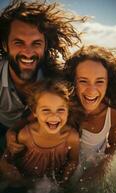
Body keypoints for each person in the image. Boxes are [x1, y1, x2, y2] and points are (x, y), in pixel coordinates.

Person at [0, 0, 84, 155]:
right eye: (19, 42)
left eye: (36, 43)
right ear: (5, 45)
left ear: (45, 46)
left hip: (40, 132)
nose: (28, 51)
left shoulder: (59, 80)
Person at [65, 44, 116, 181]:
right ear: (73, 82)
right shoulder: (62, 105)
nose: (91, 91)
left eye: (99, 81)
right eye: (83, 81)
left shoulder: (115, 111)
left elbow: (113, 144)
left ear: (108, 83)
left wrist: (102, 167)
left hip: (94, 161)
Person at [3, 78, 79, 185]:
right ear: (34, 112)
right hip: (25, 183)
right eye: (46, 110)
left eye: (60, 110)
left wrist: (63, 182)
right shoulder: (25, 136)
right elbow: (9, 158)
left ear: (68, 112)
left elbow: (73, 160)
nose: (54, 115)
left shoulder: (72, 137)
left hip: (52, 186)